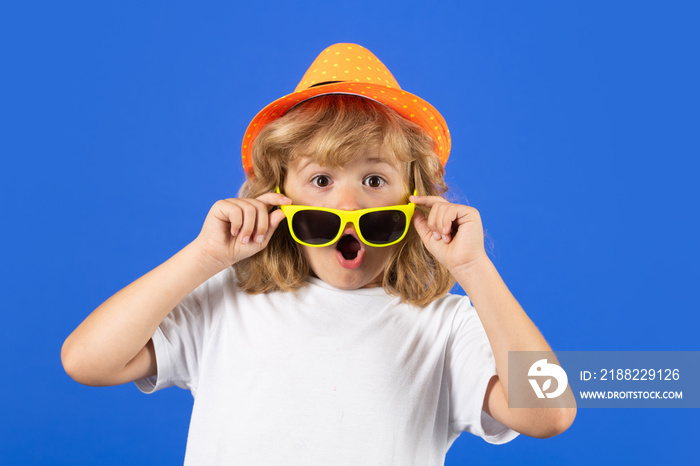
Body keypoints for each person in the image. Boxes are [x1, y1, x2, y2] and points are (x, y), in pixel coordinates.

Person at [62, 43, 575, 465]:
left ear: (413, 197)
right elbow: (87, 361)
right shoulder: (225, 302)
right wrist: (202, 258)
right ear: (278, 196)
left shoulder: (444, 327)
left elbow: (548, 414)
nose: (347, 202)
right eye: (322, 179)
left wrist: (473, 269)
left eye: (374, 179)